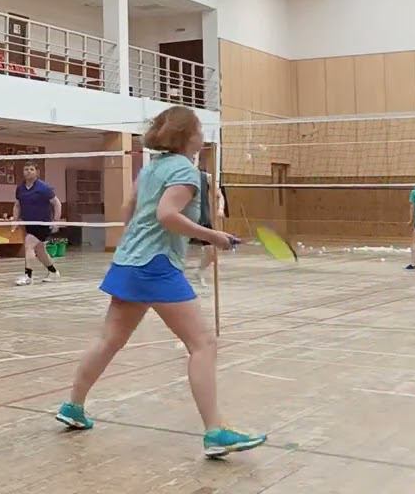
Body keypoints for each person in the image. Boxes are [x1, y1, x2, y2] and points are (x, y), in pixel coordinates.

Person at [53, 105, 267, 458]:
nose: (202, 135)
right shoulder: (184, 170)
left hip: (128, 260)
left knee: (109, 340)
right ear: (188, 136)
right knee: (203, 344)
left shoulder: (151, 168)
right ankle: (215, 430)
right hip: (157, 265)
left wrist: (140, 241)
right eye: (199, 129)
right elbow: (167, 214)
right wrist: (213, 236)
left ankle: (73, 406)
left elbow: (129, 209)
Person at [10, 161, 62, 285]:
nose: (28, 171)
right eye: (26, 169)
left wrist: (56, 221)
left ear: (37, 172)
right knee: (40, 251)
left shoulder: (43, 188)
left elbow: (57, 203)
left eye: (31, 169)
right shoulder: (20, 188)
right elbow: (17, 205)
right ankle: (53, 272)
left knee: (29, 244)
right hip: (29, 224)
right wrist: (15, 220)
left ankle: (28, 276)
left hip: (43, 224)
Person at [189, 164, 217, 288]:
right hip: (186, 219)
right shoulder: (180, 176)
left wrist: (221, 208)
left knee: (211, 252)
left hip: (203, 219)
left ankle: (199, 272)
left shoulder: (206, 177)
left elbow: (219, 195)